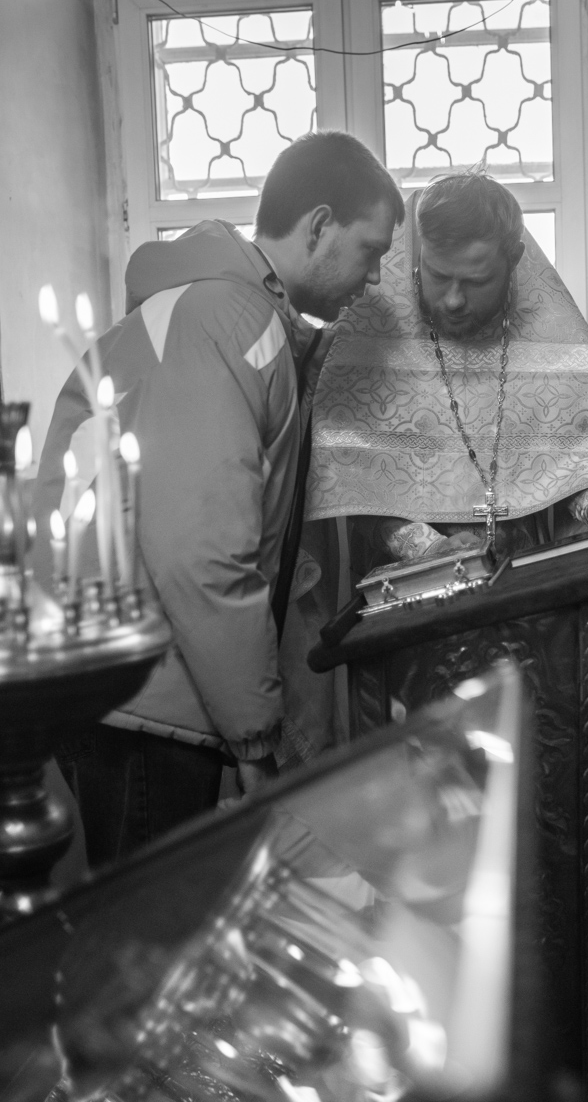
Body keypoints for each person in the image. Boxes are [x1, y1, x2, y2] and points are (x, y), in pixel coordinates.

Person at [34, 130, 404, 866]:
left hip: (119, 679)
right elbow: (200, 551)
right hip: (146, 694)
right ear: (319, 225)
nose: (373, 279)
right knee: (158, 923)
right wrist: (254, 736)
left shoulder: (211, 310)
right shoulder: (229, 321)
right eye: (370, 251)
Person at [285, 172, 588, 740]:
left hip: (536, 624)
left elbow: (560, 467)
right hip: (407, 626)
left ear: (514, 264)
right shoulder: (372, 341)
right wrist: (431, 549)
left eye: (477, 280)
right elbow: (355, 489)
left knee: (539, 772)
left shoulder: (552, 345)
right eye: (437, 276)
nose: (454, 299)